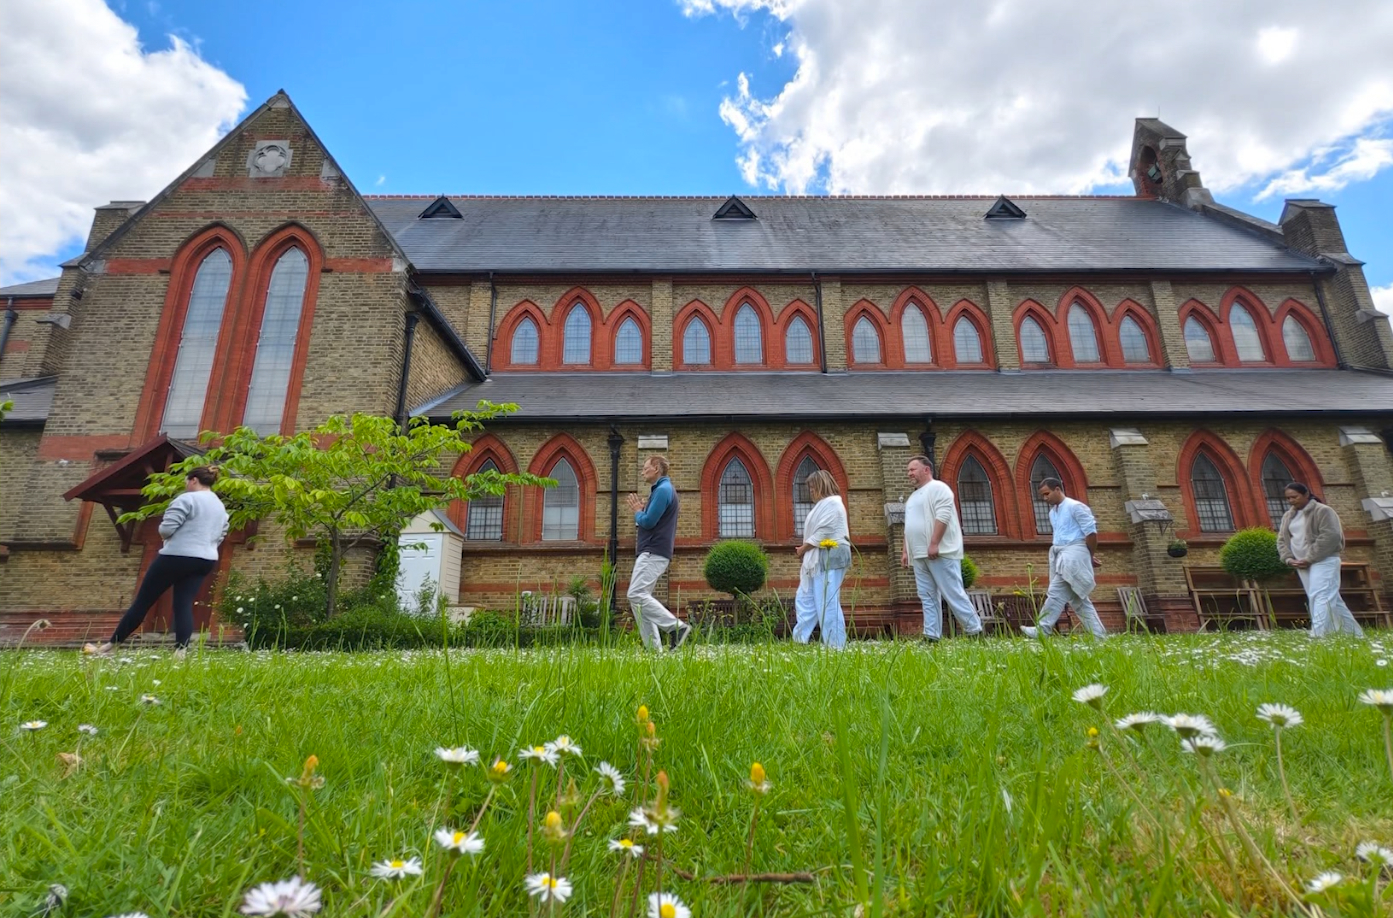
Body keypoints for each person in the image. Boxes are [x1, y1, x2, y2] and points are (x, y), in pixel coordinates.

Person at [84, 466, 228, 657]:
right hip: (205, 559)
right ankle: (180, 654)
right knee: (183, 604)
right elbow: (222, 533)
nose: (186, 485)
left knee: (143, 602)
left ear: (193, 480)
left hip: (176, 556)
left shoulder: (187, 499)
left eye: (186, 481)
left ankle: (109, 647)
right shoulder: (219, 506)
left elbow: (166, 530)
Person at [901, 456, 983, 642]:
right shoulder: (913, 497)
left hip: (941, 552)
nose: (909, 474)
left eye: (912, 469)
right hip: (919, 554)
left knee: (952, 592)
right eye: (908, 471)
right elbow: (909, 526)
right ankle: (931, 635)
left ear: (926, 470)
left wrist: (934, 543)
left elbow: (943, 516)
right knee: (927, 596)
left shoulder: (938, 488)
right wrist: (906, 551)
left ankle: (974, 631)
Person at [1020, 478, 1107, 638]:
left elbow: (1091, 533)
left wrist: (1089, 555)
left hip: (1075, 551)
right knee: (1078, 600)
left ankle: (1042, 629)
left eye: (1047, 494)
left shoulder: (1076, 507)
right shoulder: (1053, 512)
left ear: (1057, 489)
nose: (1045, 498)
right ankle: (1099, 636)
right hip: (1062, 553)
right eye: (1042, 496)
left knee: (1055, 591)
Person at [1277, 482, 1364, 638]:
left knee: (1320, 596)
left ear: (1305, 494)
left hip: (1324, 560)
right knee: (1332, 599)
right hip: (1301, 564)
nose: (1291, 501)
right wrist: (1289, 559)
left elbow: (1331, 536)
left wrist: (1310, 558)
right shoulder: (1288, 516)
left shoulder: (1323, 511)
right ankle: (1355, 635)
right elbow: (1282, 540)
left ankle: (1318, 635)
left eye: (1294, 497)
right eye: (1288, 498)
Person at [625, 455, 691, 651]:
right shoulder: (661, 490)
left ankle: (677, 628)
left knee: (635, 594)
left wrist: (638, 511)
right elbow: (653, 519)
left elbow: (648, 522)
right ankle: (654, 650)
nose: (642, 471)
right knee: (640, 600)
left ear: (656, 469)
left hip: (653, 551)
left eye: (645, 468)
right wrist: (644, 510)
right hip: (653, 551)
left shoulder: (663, 490)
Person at [792, 470, 852, 649]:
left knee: (827, 601)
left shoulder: (833, 503)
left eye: (812, 487)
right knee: (805, 598)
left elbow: (824, 531)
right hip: (818, 557)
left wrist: (804, 548)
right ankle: (799, 640)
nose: (810, 491)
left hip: (830, 554)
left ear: (821, 485)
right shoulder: (823, 505)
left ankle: (836, 646)